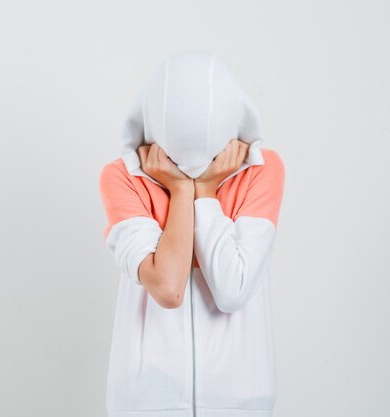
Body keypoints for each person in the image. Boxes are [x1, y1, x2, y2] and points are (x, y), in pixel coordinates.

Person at [98, 51, 285, 417]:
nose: (194, 165)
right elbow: (168, 288)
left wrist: (208, 194)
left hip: (242, 400)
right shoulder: (122, 177)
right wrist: (183, 190)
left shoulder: (262, 171)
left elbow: (233, 289)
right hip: (146, 400)